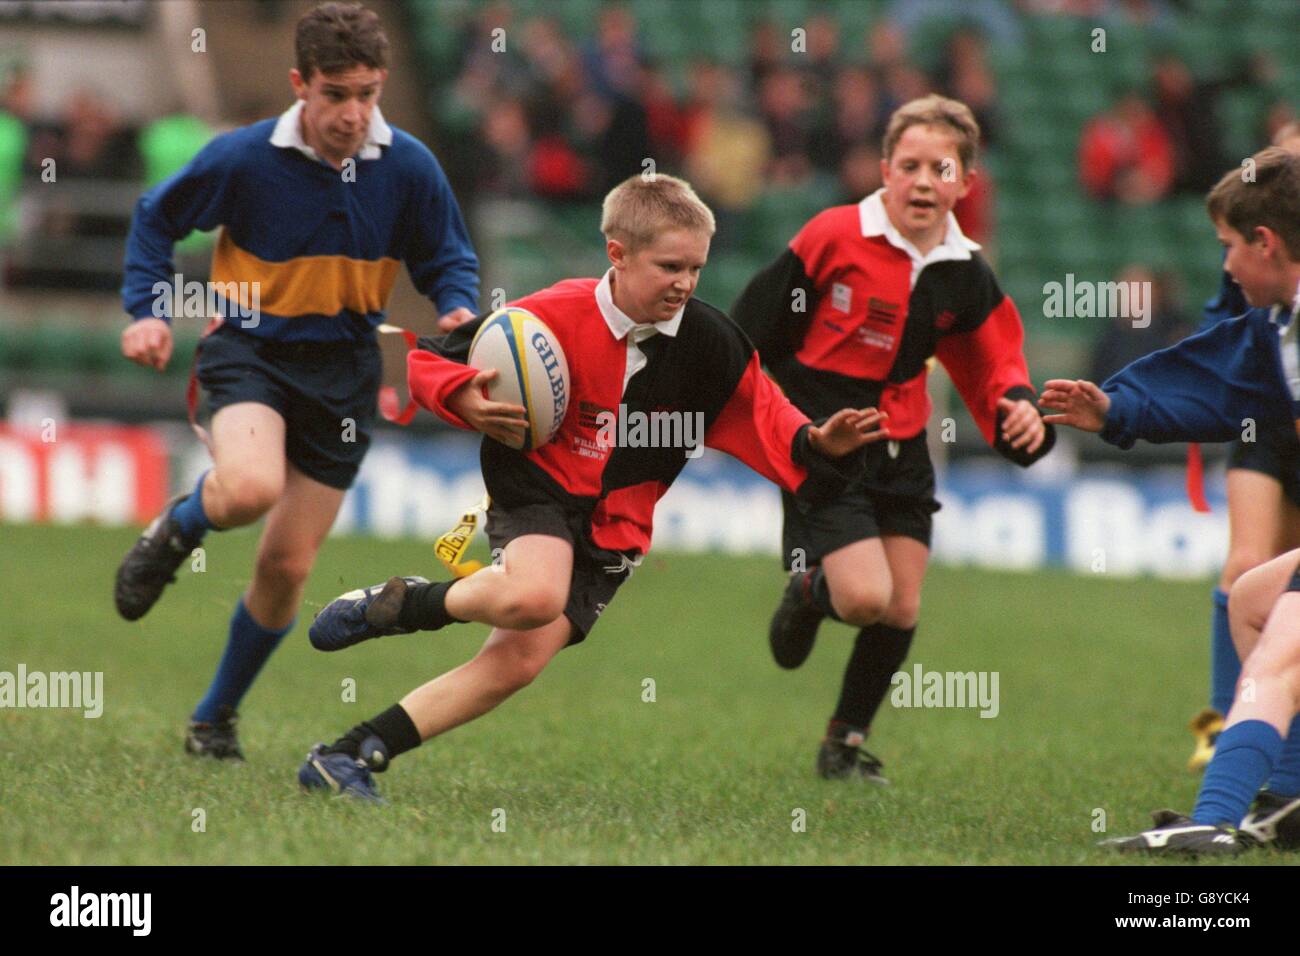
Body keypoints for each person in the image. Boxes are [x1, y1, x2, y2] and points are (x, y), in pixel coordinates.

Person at [296, 174, 889, 801]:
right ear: (618, 253)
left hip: (618, 530)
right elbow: (434, 359)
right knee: (533, 595)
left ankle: (346, 756)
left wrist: (819, 446)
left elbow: (772, 422)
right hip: (538, 486)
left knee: (514, 665)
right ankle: (406, 606)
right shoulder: (548, 316)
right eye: (669, 266)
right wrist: (461, 397)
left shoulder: (712, 346)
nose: (685, 283)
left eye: (695, 268)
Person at [114, 2, 479, 760]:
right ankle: (175, 530)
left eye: (368, 94)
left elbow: (447, 256)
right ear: (299, 85)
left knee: (287, 566)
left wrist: (460, 311)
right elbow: (157, 217)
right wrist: (147, 311)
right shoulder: (245, 158)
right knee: (247, 487)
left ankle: (214, 719)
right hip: (249, 351)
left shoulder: (407, 164)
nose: (353, 114)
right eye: (336, 95)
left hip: (344, 372)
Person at [730, 95, 1055, 783]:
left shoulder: (966, 272)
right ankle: (810, 594)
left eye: (940, 168)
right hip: (824, 443)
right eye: (908, 165)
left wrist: (1019, 408)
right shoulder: (831, 236)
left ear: (965, 183)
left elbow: (994, 362)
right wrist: (763, 421)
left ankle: (842, 747)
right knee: (865, 598)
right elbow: (751, 328)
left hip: (904, 448)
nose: (922, 181)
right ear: (884, 170)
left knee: (901, 605)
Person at [1041, 147, 1300, 854]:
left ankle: (1214, 821)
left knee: (1281, 648)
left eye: (1228, 247)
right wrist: (1117, 409)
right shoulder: (1275, 328)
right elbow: (1214, 378)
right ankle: (1288, 796)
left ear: (1266, 243)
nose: (1224, 266)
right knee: (1253, 598)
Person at [1185, 122, 1300, 773]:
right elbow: (1219, 318)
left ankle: (1279, 753)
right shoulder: (1256, 241)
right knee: (1246, 568)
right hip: (1264, 426)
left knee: (1286, 590)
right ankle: (1224, 725)